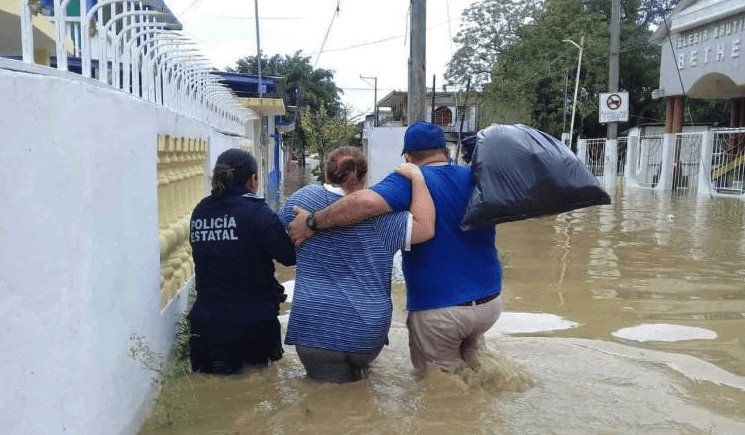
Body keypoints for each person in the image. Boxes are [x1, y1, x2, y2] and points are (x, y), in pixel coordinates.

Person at [289, 122, 503, 373]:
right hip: (490, 302)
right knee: (479, 371)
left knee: (441, 390)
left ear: (409, 157)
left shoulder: (410, 180)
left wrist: (313, 222)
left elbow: (363, 202)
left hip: (440, 308)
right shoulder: (474, 177)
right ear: (445, 151)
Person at [278, 146, 435, 382]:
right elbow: (425, 228)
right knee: (362, 390)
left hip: (315, 330)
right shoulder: (384, 217)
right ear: (364, 177)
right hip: (367, 332)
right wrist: (417, 178)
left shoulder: (300, 201)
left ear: (327, 173)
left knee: (327, 401)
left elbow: (281, 246)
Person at [188, 149, 296, 374]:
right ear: (253, 180)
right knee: (259, 395)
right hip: (252, 326)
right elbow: (288, 256)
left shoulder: (200, 211)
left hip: (206, 328)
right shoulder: (258, 213)